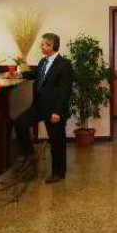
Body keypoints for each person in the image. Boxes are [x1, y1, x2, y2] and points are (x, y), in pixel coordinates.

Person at [15, 33, 74, 183]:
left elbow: (65, 90)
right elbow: (36, 74)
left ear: (51, 46)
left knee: (57, 142)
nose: (40, 47)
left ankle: (58, 173)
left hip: (55, 109)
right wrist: (19, 74)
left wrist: (58, 112)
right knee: (20, 122)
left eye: (43, 44)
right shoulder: (43, 61)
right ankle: (29, 154)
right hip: (40, 106)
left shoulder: (64, 64)